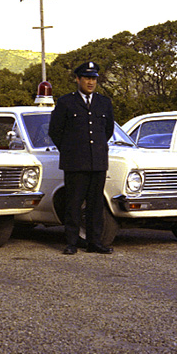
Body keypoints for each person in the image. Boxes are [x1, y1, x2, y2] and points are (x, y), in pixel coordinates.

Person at [48, 61, 115, 254]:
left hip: (98, 162)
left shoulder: (104, 103)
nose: (90, 82)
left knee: (96, 204)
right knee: (74, 204)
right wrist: (71, 150)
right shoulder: (66, 102)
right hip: (75, 163)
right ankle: (71, 243)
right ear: (78, 79)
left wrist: (95, 150)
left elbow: (107, 130)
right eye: (86, 78)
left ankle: (95, 242)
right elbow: (55, 131)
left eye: (93, 78)